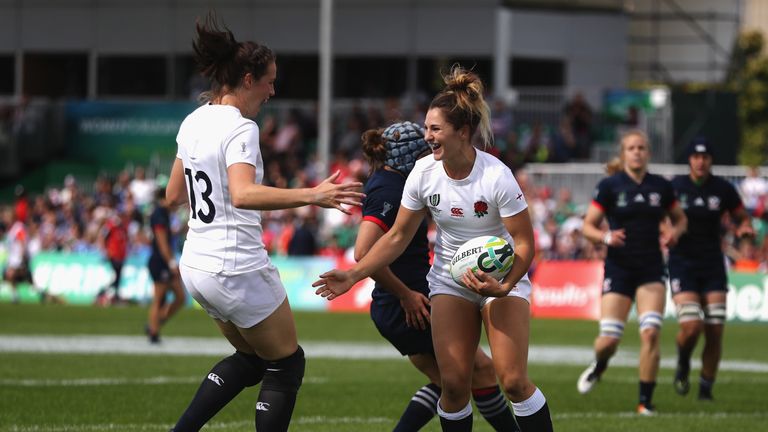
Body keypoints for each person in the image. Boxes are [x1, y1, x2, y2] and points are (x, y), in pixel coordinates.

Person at [314, 66, 553, 432]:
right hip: (450, 280)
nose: (427, 136)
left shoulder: (496, 176)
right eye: (426, 128)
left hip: (501, 279)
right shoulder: (423, 173)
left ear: (462, 131)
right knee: (454, 386)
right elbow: (395, 237)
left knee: (513, 382)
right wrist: (353, 275)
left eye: (435, 129)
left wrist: (505, 285)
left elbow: (524, 242)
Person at [165, 12, 364, 432]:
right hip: (234, 264)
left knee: (255, 360)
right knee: (287, 364)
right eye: (270, 81)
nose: (273, 91)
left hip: (196, 265)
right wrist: (312, 194)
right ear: (249, 78)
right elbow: (242, 193)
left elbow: (172, 195)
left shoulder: (193, 120)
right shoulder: (241, 128)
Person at [358, 121, 520, 431]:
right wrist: (404, 294)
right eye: (422, 149)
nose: (430, 155)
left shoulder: (396, 181)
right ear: (408, 155)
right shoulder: (388, 188)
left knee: (451, 380)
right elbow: (363, 252)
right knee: (476, 373)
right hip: (407, 302)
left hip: (408, 298)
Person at [576, 129, 688, 415]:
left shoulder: (661, 187)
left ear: (648, 153)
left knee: (650, 333)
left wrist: (674, 233)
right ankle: (600, 365)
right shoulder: (610, 186)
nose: (637, 152)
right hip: (619, 268)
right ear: (623, 153)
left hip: (651, 269)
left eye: (641, 147)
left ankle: (644, 403)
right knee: (608, 342)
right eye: (631, 148)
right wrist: (605, 238)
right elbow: (588, 226)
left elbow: (680, 219)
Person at [668, 138, 753, 401]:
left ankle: (706, 388)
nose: (700, 161)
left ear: (711, 160)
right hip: (683, 263)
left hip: (713, 265)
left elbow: (742, 218)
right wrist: (665, 232)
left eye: (705, 157)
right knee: (692, 326)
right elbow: (660, 217)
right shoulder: (675, 187)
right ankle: (683, 361)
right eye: (695, 157)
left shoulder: (724, 189)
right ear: (689, 160)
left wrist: (745, 230)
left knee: (715, 330)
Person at [145, 187, 187, 344]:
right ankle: (153, 332)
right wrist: (171, 263)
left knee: (180, 297)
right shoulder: (159, 214)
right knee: (159, 298)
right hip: (160, 261)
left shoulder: (164, 214)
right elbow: (162, 243)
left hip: (163, 260)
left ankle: (155, 322)